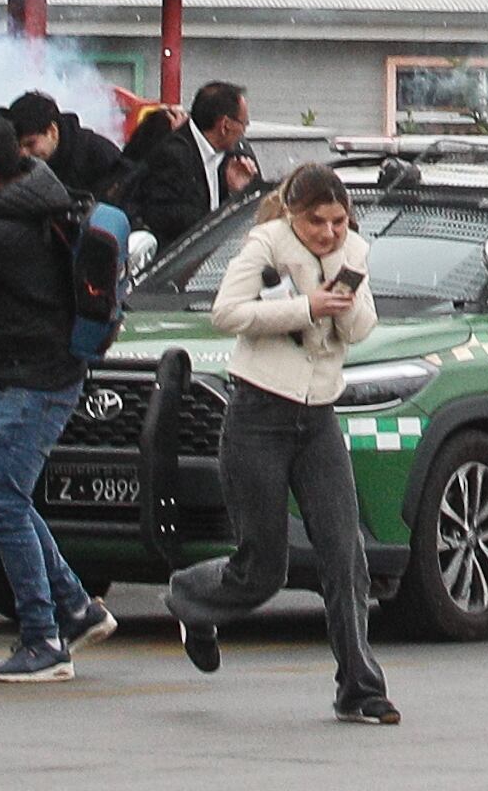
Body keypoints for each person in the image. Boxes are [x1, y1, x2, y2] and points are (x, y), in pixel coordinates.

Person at [165, 163, 397, 724]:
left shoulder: (355, 251)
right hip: (259, 413)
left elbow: (361, 328)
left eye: (339, 221)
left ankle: (360, 688)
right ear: (294, 215)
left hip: (318, 417)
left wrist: (343, 303)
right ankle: (190, 600)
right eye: (317, 222)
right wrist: (304, 307)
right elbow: (226, 313)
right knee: (262, 567)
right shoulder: (265, 245)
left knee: (345, 556)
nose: (329, 233)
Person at [0, 111, 115, 683]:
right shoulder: (39, 197)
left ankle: (44, 639)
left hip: (29, 378)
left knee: (1, 505)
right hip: (44, 370)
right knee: (6, 498)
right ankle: (76, 609)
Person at [110, 80, 252, 250]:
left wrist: (236, 191)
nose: (244, 131)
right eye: (244, 123)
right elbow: (162, 215)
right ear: (225, 125)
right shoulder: (174, 155)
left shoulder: (231, 159)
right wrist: (212, 220)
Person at [7, 90, 126, 197]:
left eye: (30, 144)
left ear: (52, 131)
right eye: (18, 146)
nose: (23, 153)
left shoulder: (100, 155)